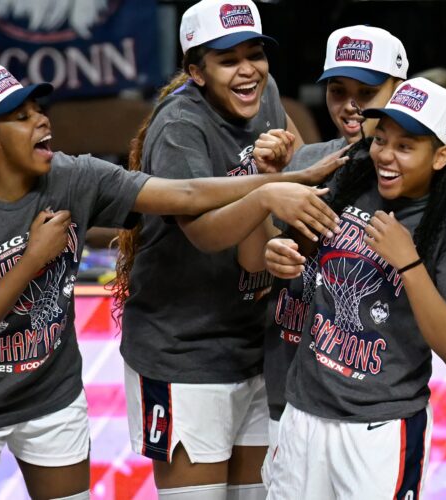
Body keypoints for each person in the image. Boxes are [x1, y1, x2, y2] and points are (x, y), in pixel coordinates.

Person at [0, 61, 341, 500]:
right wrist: (32, 260)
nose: (41, 119)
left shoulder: (73, 175)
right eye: (21, 117)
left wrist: (281, 181)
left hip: (49, 397)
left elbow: (187, 193)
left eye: (38, 109)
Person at [114, 1, 337, 498]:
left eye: (255, 54)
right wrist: (265, 190)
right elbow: (204, 233)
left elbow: (299, 169)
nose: (248, 70)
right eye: (228, 60)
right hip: (184, 352)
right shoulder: (179, 127)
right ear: (196, 72)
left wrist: (282, 168)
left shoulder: (266, 92)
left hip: (256, 348)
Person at [261, 78, 446, 499]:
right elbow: (298, 247)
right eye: (381, 139)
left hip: (381, 427)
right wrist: (279, 251)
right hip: (304, 411)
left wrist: (409, 263)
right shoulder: (351, 178)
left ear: (441, 155)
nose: (385, 155)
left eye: (405, 147)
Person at [241, 26, 408, 485]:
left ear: (399, 90)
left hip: (369, 399)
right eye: (338, 91)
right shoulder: (305, 161)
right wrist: (266, 187)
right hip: (289, 379)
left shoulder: (412, 181)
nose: (350, 105)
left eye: (367, 92)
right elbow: (257, 259)